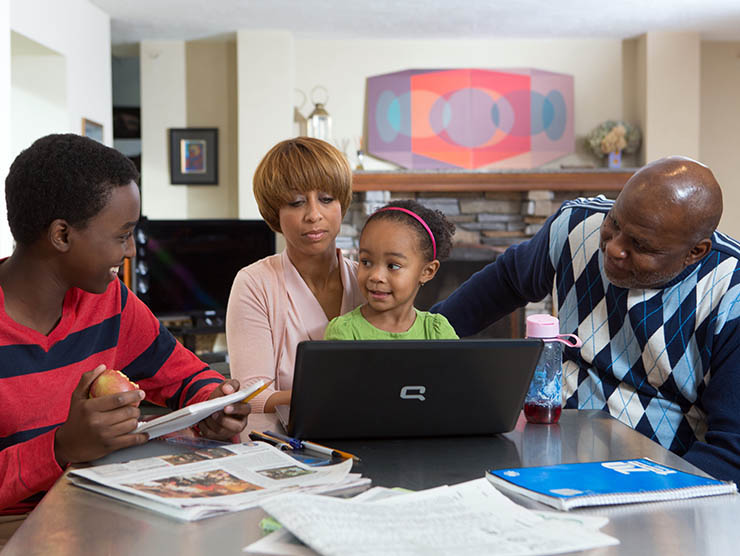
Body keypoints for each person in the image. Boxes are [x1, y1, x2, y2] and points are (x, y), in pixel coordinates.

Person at [432, 156, 740, 483]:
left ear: (696, 251)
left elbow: (730, 452)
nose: (614, 249)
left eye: (640, 245)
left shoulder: (731, 293)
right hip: (546, 444)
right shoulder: (578, 225)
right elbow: (507, 280)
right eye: (616, 224)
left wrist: (647, 498)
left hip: (652, 476)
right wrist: (420, 340)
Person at [0, 134, 250, 529]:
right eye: (121, 235)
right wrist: (61, 448)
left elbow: (185, 374)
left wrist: (214, 405)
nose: (131, 250)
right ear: (62, 235)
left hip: (102, 515)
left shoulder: (109, 301)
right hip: (16, 530)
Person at [226, 137, 365, 413]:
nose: (314, 214)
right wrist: (340, 398)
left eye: (326, 199)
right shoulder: (254, 284)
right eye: (296, 202)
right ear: (274, 213)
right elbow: (252, 398)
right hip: (282, 447)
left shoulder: (368, 282)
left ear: (342, 204)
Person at [325, 200, 458, 340]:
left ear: (427, 271)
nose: (376, 276)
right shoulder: (343, 332)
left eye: (393, 266)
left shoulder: (437, 331)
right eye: (366, 262)